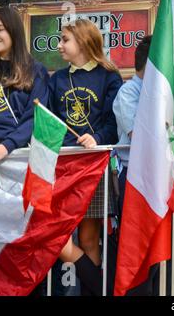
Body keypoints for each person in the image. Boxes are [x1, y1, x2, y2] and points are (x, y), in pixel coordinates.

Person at [48, 19, 123, 296]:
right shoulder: (56, 78)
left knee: (90, 238)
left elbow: (114, 124)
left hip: (94, 166)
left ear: (82, 41)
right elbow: (51, 120)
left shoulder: (109, 76)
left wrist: (97, 139)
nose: (59, 46)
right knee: (56, 238)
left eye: (65, 40)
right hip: (63, 166)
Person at [112, 35, 160, 295]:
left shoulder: (163, 93)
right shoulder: (128, 92)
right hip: (134, 177)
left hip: (158, 177)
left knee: (155, 248)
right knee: (137, 248)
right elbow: (138, 136)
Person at [0, 6, 49, 162]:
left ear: (13, 31)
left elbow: (35, 117)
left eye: (0, 29)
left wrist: (7, 146)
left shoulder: (36, 71)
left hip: (19, 154)